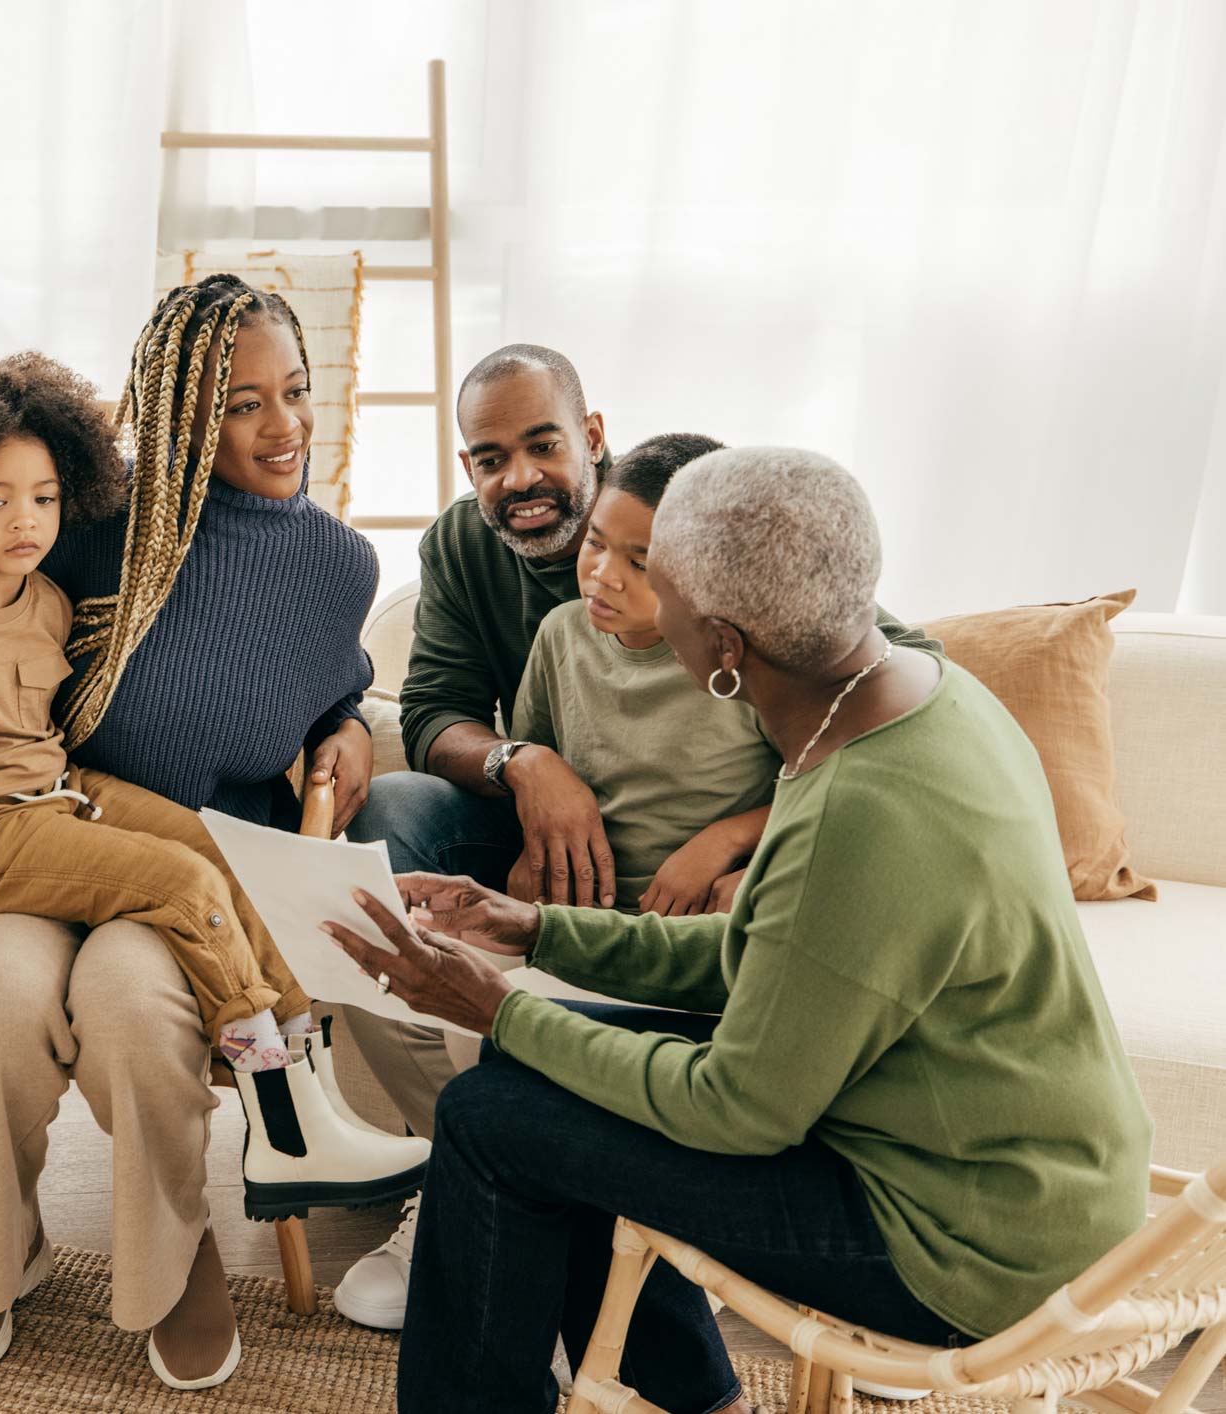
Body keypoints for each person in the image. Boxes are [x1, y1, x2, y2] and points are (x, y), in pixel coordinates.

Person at [324, 445, 1153, 1414]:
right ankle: (702, 1403)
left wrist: (494, 1008)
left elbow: (734, 1108)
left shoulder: (860, 806)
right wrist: (538, 928)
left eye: (655, 579)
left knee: (491, 1114)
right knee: (538, 1086)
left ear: (722, 644)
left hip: (963, 1243)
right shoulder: (920, 693)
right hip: (1017, 1168)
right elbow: (777, 952)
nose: (635, 600)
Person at [0, 277, 424, 1390]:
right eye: (241, 402)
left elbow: (319, 688)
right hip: (30, 845)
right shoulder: (81, 525)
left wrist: (346, 722)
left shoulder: (336, 564)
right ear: (175, 410)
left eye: (294, 392)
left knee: (131, 1011)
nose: (284, 425)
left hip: (190, 860)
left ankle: (175, 1247)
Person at [333, 345, 940, 1330]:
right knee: (385, 837)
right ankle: (463, 1166)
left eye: (542, 445)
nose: (517, 477)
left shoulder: (712, 527)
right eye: (487, 457)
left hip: (702, 882)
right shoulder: (511, 592)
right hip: (562, 840)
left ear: (593, 440)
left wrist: (745, 840)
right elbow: (438, 706)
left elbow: (890, 675)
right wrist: (527, 770)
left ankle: (572, 1201)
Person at [509, 432, 779, 915]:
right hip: (581, 915)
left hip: (701, 917)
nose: (603, 575)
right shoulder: (559, 634)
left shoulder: (750, 657)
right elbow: (534, 770)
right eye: (594, 541)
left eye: (639, 563)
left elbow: (826, 787)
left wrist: (727, 840)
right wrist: (530, 853)